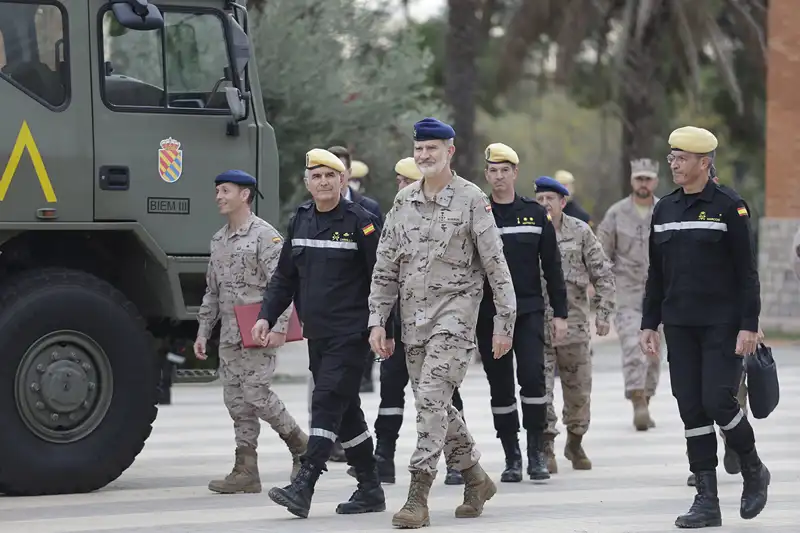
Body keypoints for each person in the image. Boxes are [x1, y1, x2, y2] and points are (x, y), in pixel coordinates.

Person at [368, 117, 516, 528]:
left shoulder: (471, 199)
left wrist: (505, 321)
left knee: (432, 397)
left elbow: (495, 265)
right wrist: (378, 320)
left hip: (455, 316)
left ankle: (418, 495)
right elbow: (385, 267)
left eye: (432, 148)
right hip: (413, 320)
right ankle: (476, 477)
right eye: (419, 149)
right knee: (435, 404)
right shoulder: (403, 202)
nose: (424, 155)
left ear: (450, 151)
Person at [640, 126, 769, 528]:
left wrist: (749, 324)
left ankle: (752, 467)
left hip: (722, 324)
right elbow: (655, 275)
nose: (674, 164)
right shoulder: (664, 209)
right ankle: (707, 501)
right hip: (679, 324)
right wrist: (649, 323)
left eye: (681, 158)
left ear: (704, 162)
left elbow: (747, 272)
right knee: (690, 408)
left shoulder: (730, 206)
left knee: (718, 401)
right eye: (671, 158)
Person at [252, 149, 386, 519]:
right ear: (307, 181)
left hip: (352, 333)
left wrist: (384, 326)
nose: (324, 182)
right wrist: (267, 315)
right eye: (317, 176)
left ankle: (305, 482)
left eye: (332, 175)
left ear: (344, 181)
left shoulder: (363, 222)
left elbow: (383, 280)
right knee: (346, 415)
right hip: (319, 333)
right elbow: (284, 278)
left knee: (326, 400)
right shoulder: (301, 221)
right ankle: (371, 488)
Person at [346, 156, 466, 487]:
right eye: (397, 180)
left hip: (437, 324)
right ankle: (383, 458)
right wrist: (380, 321)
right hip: (401, 322)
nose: (399, 185)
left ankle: (458, 462)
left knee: (444, 394)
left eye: (404, 179)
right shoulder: (396, 215)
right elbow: (383, 272)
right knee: (390, 390)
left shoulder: (445, 217)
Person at [194, 170, 308, 494]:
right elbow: (211, 292)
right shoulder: (218, 240)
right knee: (236, 400)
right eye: (217, 190)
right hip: (230, 333)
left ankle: (300, 444)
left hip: (259, 327)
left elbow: (283, 285)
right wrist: (204, 331)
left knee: (256, 394)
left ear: (244, 195)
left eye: (225, 190)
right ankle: (245, 469)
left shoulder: (265, 237)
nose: (219, 196)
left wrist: (279, 328)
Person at [476, 143, 568, 483]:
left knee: (533, 380)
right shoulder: (478, 212)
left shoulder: (534, 213)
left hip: (528, 311)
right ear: (486, 175)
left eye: (505, 170)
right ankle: (511, 456)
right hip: (488, 315)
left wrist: (561, 313)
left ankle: (536, 453)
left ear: (515, 173)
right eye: (493, 171)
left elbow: (553, 266)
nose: (499, 177)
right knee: (499, 386)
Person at [535, 176, 615, 474]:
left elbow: (603, 274)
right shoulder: (530, 232)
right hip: (538, 324)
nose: (545, 204)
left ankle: (575, 440)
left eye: (550, 199)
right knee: (540, 390)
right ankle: (546, 447)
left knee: (578, 388)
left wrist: (604, 313)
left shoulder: (580, 232)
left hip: (575, 324)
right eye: (540, 199)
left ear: (562, 202)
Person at [596, 158, 662, 430]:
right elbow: (601, 253)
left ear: (655, 181)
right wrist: (601, 288)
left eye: (648, 179)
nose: (643, 184)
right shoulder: (616, 213)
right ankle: (637, 400)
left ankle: (646, 396)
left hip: (659, 294)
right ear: (632, 181)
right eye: (639, 179)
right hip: (627, 291)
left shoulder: (665, 210)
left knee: (654, 353)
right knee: (633, 347)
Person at [329, 145, 383, 395]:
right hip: (332, 292)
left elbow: (382, 251)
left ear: (349, 172)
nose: (336, 177)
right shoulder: (309, 211)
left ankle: (366, 376)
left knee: (365, 335)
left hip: (364, 287)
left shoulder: (369, 207)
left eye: (341, 170)